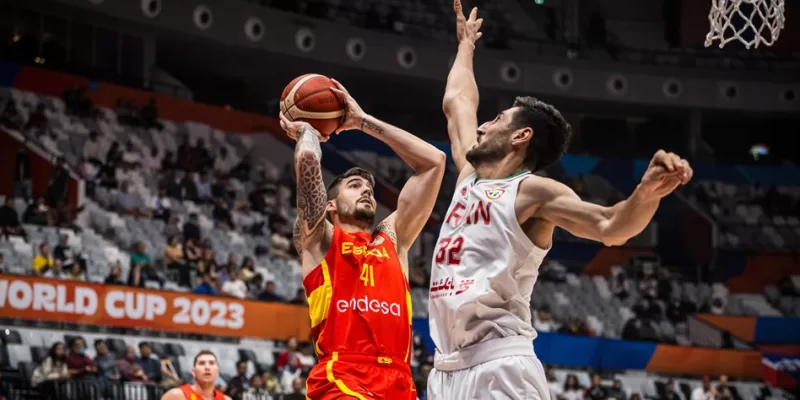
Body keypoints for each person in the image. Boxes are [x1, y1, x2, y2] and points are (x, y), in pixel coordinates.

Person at [426, 2, 694, 399]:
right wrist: (466, 46)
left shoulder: (534, 191)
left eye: (496, 120)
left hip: (499, 364)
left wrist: (646, 192)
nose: (482, 125)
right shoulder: (470, 173)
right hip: (446, 369)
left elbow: (610, 227)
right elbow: (457, 102)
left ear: (521, 137)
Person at [281, 78, 445, 400]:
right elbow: (308, 162)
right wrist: (309, 132)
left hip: (399, 379)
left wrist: (362, 122)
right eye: (354, 185)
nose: (366, 189)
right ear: (330, 204)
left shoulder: (392, 241)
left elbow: (433, 163)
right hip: (343, 377)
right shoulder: (321, 239)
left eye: (368, 187)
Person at [161, 351, 232, 400]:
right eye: (202, 363)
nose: (207, 367)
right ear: (193, 372)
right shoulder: (176, 395)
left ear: (217, 372)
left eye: (211, 363)